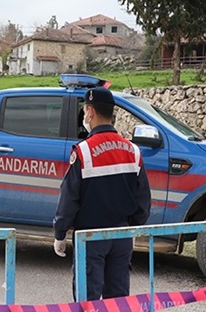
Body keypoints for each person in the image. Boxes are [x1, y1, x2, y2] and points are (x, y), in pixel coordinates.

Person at [52, 86, 151, 301]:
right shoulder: (133, 151)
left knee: (88, 300)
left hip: (91, 237)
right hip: (122, 236)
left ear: (90, 112)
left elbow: (69, 199)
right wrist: (132, 227)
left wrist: (60, 233)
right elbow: (143, 199)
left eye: (85, 110)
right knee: (118, 300)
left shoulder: (83, 151)